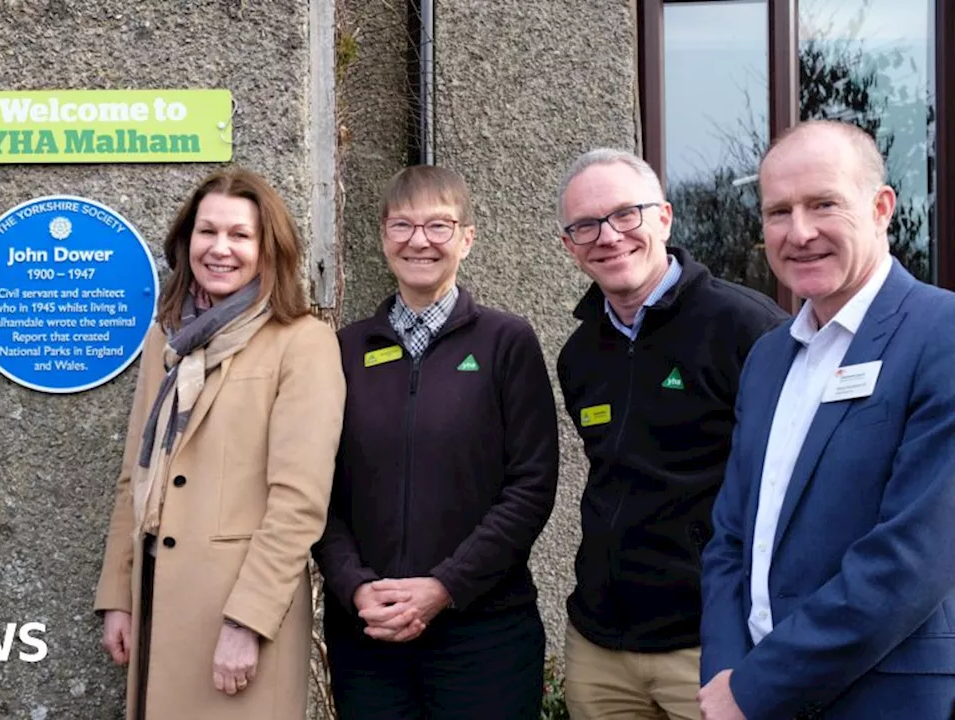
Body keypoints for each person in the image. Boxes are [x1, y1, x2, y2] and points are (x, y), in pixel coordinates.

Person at [698, 119, 955, 719]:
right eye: (778, 212)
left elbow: (911, 560)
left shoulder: (940, 335)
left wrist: (756, 687)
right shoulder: (768, 357)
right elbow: (731, 538)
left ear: (881, 207)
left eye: (824, 204)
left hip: (882, 696)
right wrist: (727, 673)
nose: (800, 232)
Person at [94, 167, 345, 720]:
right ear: (187, 242)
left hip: (237, 617)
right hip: (159, 605)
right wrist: (119, 594)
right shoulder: (168, 336)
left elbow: (298, 502)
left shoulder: (303, 343)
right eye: (207, 232)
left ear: (268, 248)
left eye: (240, 235)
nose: (220, 249)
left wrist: (247, 622)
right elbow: (132, 475)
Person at [313, 165, 559, 719]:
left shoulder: (506, 343)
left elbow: (531, 486)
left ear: (467, 238)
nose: (419, 241)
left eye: (439, 226)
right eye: (402, 225)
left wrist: (445, 586)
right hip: (368, 637)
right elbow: (315, 489)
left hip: (483, 633)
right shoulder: (344, 350)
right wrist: (354, 587)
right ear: (382, 237)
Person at [554, 149, 786, 719]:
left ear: (664, 217)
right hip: (602, 645)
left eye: (626, 214)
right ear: (569, 245)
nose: (608, 236)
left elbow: (790, 481)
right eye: (586, 225)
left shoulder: (746, 327)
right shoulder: (580, 356)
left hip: (710, 642)